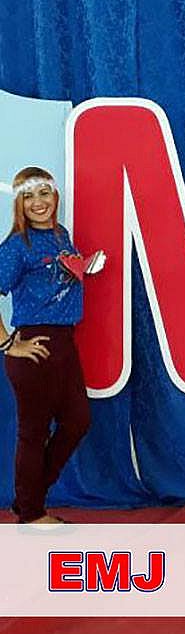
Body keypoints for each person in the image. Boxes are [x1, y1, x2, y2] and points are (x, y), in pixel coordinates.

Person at [0, 166, 104, 524]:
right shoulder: (18, 245)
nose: (38, 202)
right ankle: (31, 513)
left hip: (65, 343)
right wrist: (8, 344)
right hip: (36, 345)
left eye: (43, 193)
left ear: (55, 196)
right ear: (19, 204)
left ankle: (28, 498)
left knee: (78, 420)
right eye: (28, 196)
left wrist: (83, 266)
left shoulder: (61, 235)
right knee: (34, 433)